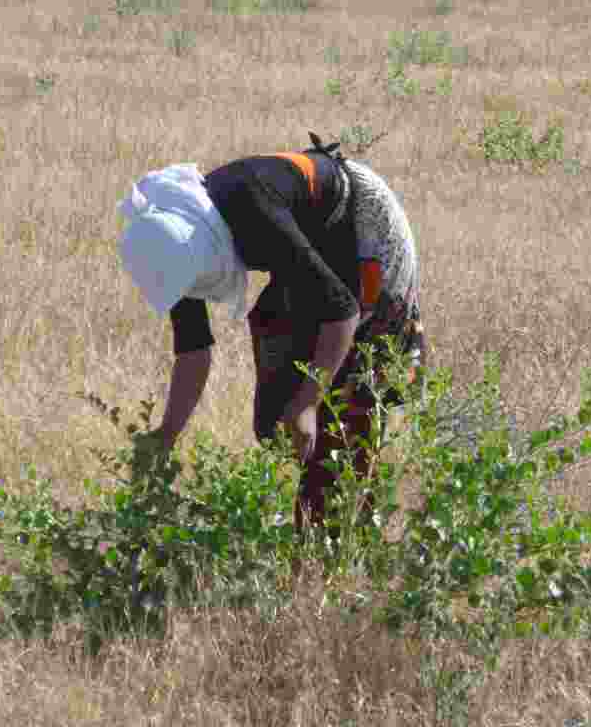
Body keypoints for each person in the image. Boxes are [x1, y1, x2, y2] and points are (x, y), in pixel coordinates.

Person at [116, 132, 425, 537]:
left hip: (360, 223)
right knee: (276, 417)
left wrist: (307, 404)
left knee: (352, 394)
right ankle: (318, 520)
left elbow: (343, 311)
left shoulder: (249, 214)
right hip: (312, 241)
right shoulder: (174, 249)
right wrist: (166, 435)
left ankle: (342, 537)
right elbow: (194, 352)